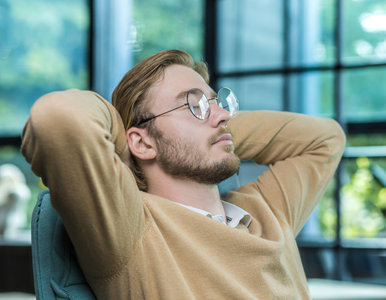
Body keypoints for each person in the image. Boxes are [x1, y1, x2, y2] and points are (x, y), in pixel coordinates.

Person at [21, 49, 346, 299]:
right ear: (141, 141)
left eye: (217, 102)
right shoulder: (130, 228)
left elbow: (325, 138)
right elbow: (59, 118)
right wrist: (131, 147)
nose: (222, 115)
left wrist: (215, 132)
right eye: (194, 105)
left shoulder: (267, 211)